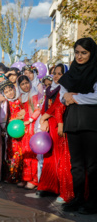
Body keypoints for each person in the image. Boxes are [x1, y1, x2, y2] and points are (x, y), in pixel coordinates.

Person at [58, 37, 97, 214]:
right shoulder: (71, 72)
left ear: (92, 53)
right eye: (77, 52)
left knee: (93, 164)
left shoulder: (96, 71)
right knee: (77, 164)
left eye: (84, 53)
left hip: (91, 122)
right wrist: (69, 97)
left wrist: (75, 98)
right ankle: (78, 197)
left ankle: (94, 201)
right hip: (73, 122)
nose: (79, 56)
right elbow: (62, 95)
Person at [37, 63, 74, 203]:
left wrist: (45, 116)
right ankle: (49, 187)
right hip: (50, 125)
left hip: (60, 124)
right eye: (55, 73)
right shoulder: (50, 89)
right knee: (49, 157)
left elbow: (59, 105)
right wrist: (44, 120)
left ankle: (64, 190)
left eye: (60, 73)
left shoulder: (64, 88)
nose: (57, 76)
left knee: (61, 157)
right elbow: (45, 105)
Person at [17, 75, 41, 190]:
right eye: (22, 84)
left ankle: (34, 180)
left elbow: (38, 109)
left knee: (32, 151)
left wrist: (30, 120)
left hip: (33, 125)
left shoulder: (34, 94)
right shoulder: (22, 96)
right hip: (25, 126)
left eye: (27, 82)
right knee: (26, 151)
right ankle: (26, 178)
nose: (25, 85)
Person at [0, 80, 24, 184]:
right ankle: (10, 176)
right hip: (10, 132)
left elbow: (24, 112)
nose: (10, 93)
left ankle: (18, 176)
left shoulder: (20, 100)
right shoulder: (5, 102)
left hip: (20, 130)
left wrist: (18, 118)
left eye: (11, 90)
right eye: (7, 92)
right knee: (10, 152)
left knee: (19, 152)